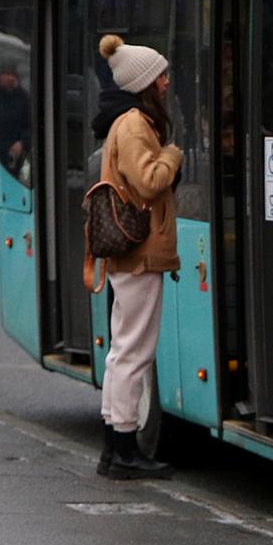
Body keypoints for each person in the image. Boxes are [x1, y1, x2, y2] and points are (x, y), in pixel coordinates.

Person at [95, 34, 183, 480]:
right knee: (135, 353)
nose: (167, 82)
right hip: (139, 253)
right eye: (161, 76)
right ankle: (125, 448)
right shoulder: (135, 126)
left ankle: (115, 445)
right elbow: (149, 182)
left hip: (131, 254)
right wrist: (172, 155)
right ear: (145, 82)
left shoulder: (129, 123)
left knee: (121, 351)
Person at [0, 63, 32, 176]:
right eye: (7, 74)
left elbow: (29, 125)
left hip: (14, 151)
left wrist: (22, 143)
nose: (10, 78)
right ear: (0, 76)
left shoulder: (22, 97)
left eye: (12, 75)